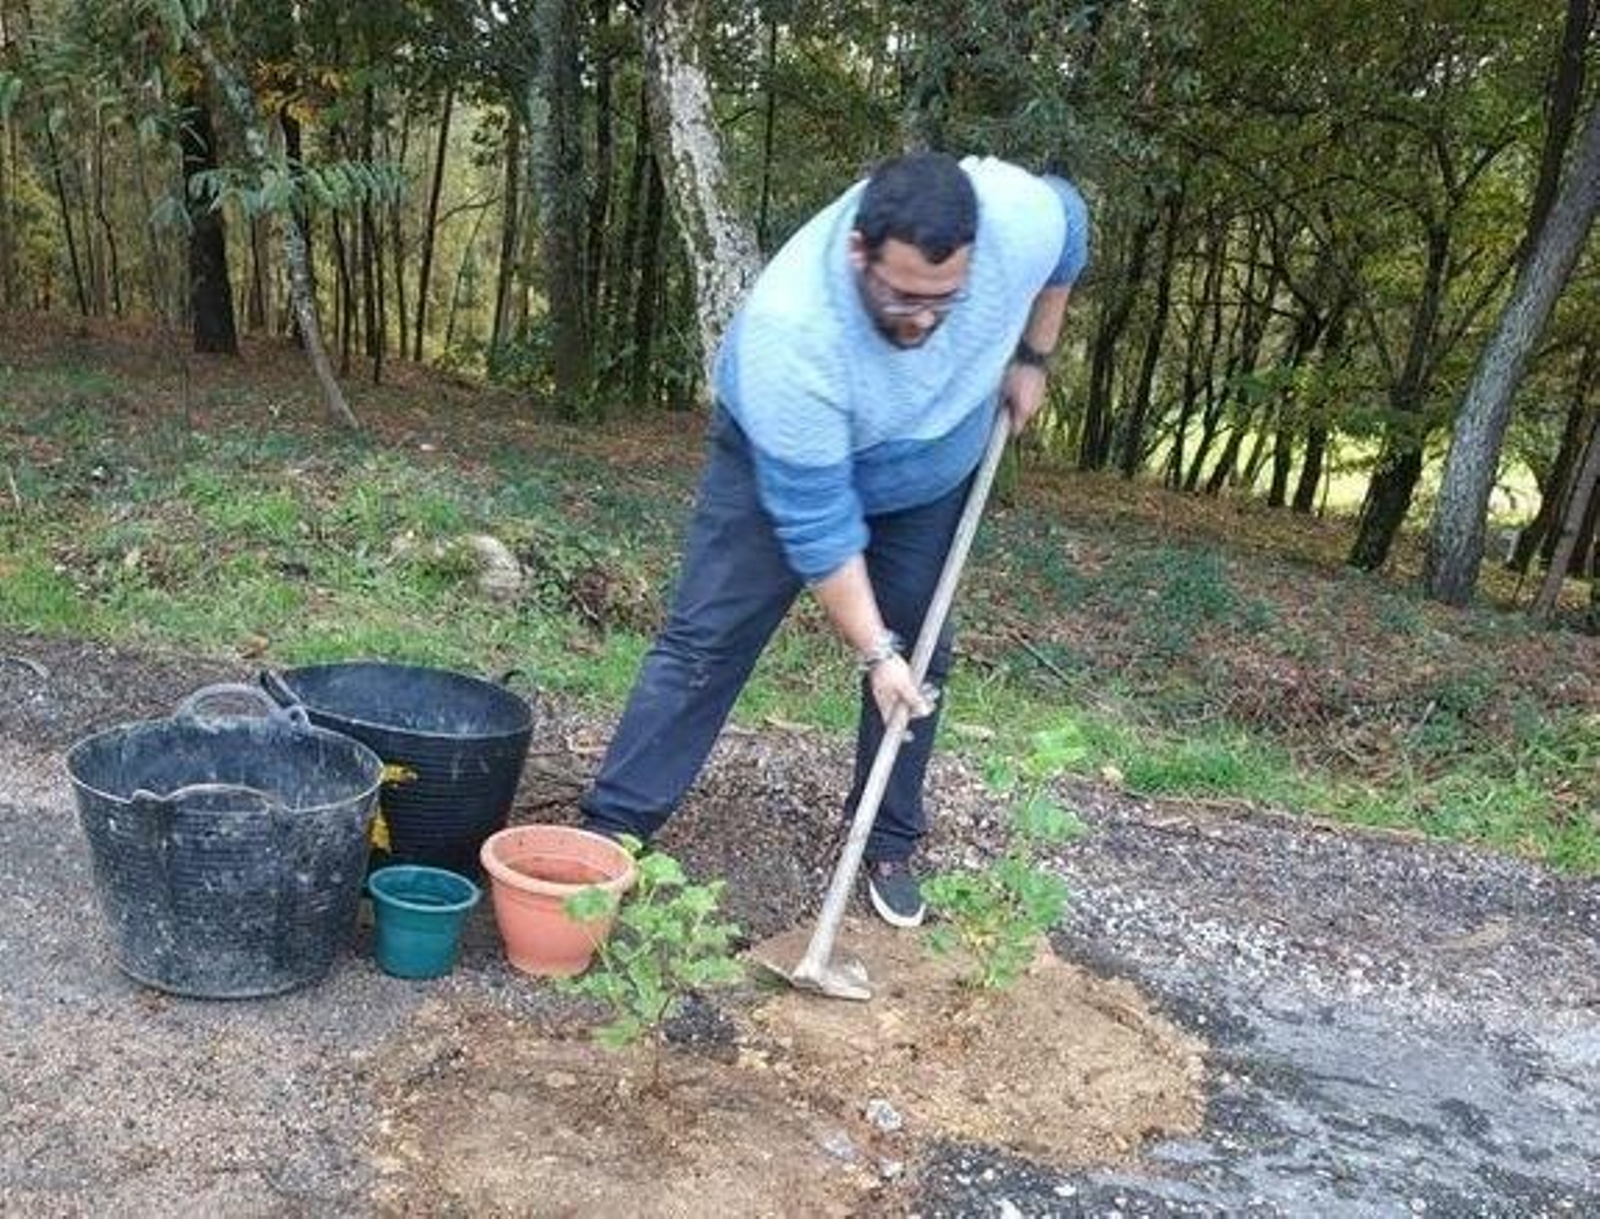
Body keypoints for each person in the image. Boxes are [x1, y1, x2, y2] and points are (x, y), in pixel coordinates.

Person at [580, 151, 1090, 927]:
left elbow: (1072, 233)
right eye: (902, 296)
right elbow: (821, 528)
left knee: (921, 656)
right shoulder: (794, 333)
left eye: (942, 299)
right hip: (778, 464)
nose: (921, 319)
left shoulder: (1019, 219)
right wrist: (871, 650)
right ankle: (610, 832)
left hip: (927, 471)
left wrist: (1033, 354)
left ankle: (887, 839)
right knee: (705, 641)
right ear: (860, 251)